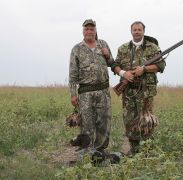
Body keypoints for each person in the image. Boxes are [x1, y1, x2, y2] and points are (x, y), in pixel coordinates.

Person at [113, 21, 166, 155]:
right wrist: (124, 73)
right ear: (131, 31)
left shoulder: (153, 47)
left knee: (146, 120)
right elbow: (115, 65)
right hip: (128, 91)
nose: (137, 32)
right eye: (134, 30)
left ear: (143, 31)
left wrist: (144, 69)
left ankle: (147, 150)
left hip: (146, 91)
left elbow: (161, 66)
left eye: (139, 30)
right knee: (129, 120)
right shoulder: (123, 48)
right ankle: (134, 149)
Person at [68, 19, 116, 152]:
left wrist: (108, 56)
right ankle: (86, 152)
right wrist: (73, 95)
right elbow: (72, 74)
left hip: (103, 91)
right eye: (87, 29)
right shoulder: (77, 49)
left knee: (104, 123)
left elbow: (112, 63)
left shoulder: (103, 44)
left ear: (96, 31)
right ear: (83, 31)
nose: (89, 31)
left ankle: (100, 152)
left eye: (92, 29)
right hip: (85, 93)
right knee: (86, 124)